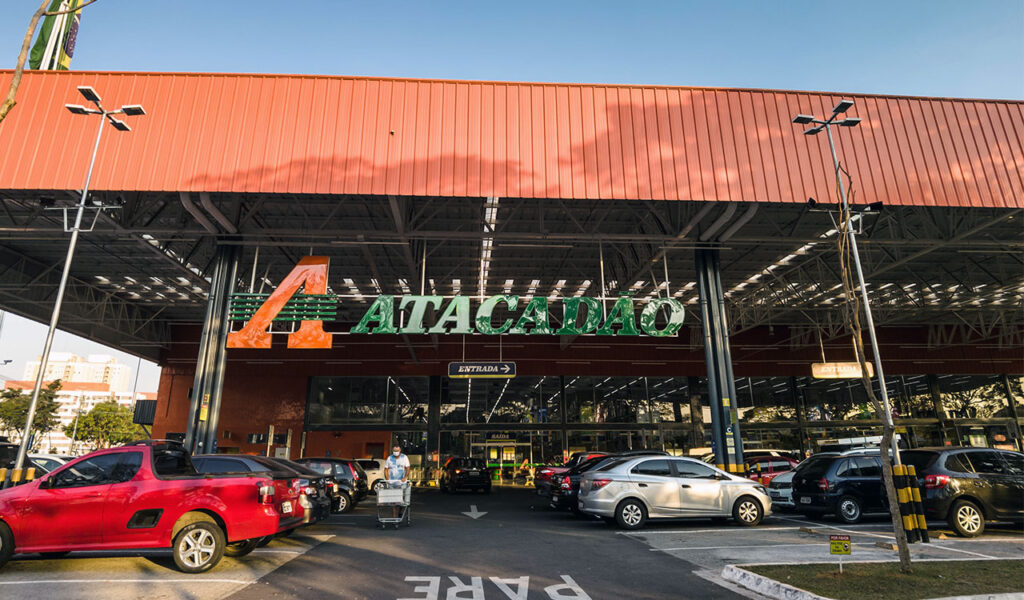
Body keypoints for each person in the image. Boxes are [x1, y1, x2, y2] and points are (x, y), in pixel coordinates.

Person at [384, 444, 410, 517]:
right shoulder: (389, 458)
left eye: (397, 451)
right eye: (394, 451)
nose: (396, 452)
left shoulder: (404, 457)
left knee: (402, 500)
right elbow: (386, 469)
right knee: (393, 501)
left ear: (400, 450)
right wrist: (387, 479)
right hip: (392, 483)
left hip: (401, 483)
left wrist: (405, 477)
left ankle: (400, 512)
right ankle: (394, 517)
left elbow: (408, 468)